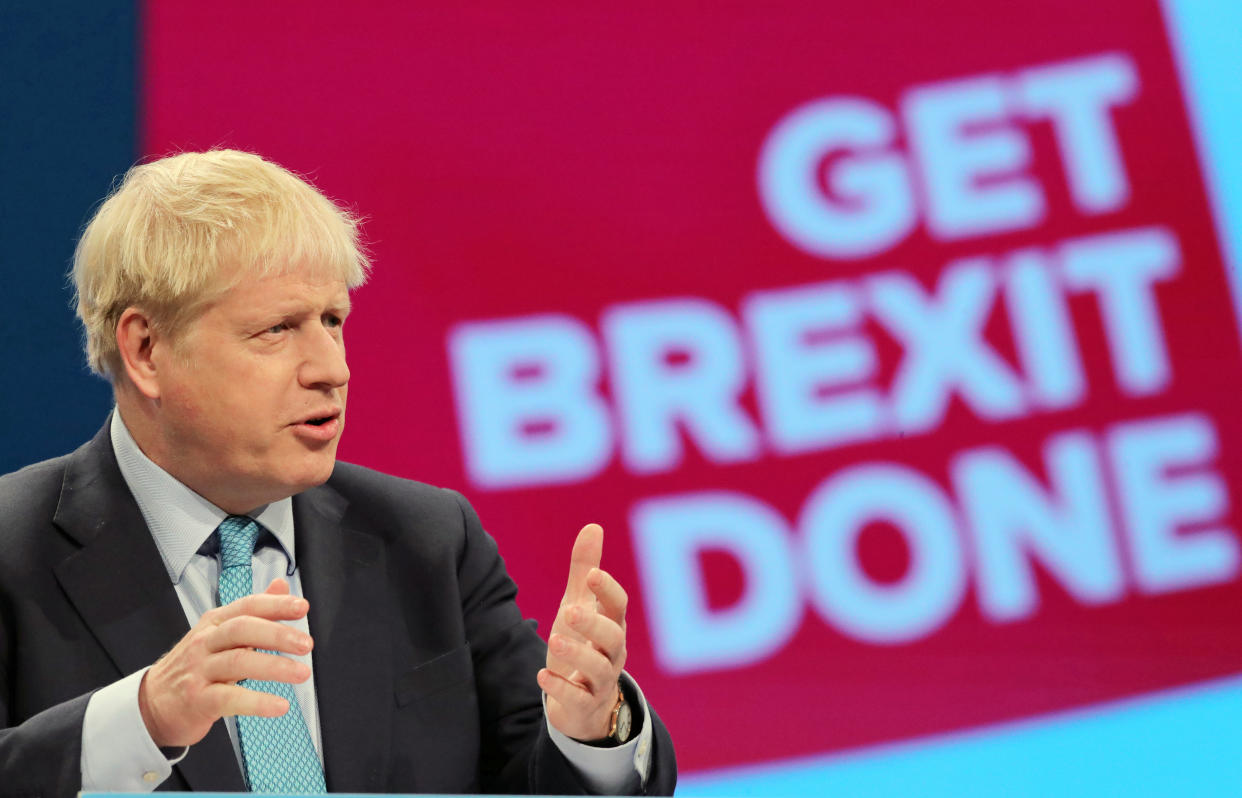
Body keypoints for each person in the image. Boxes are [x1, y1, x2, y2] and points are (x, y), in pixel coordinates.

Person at [0, 149, 676, 796]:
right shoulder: (12, 549)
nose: (333, 368)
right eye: (277, 329)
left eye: (333, 320)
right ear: (146, 350)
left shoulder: (428, 540)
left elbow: (531, 780)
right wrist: (142, 720)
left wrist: (594, 732)